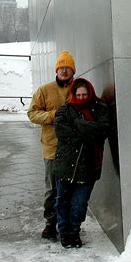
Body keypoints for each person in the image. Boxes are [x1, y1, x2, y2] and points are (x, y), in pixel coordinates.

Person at [53, 78, 109, 248]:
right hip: (65, 165)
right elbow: (62, 132)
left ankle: (74, 231)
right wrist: (86, 133)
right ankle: (64, 232)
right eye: (79, 94)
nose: (82, 97)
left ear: (90, 92)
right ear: (74, 94)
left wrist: (76, 123)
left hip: (89, 167)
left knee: (79, 204)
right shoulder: (64, 110)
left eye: (85, 94)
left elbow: (102, 131)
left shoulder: (100, 109)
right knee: (62, 202)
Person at [27, 50, 76, 239]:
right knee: (52, 189)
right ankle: (51, 221)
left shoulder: (79, 88)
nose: (64, 71)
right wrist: (52, 115)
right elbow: (32, 113)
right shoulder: (44, 90)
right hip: (52, 148)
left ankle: (69, 223)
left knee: (70, 189)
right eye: (61, 67)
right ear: (56, 70)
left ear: (73, 71)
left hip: (74, 148)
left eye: (68, 68)